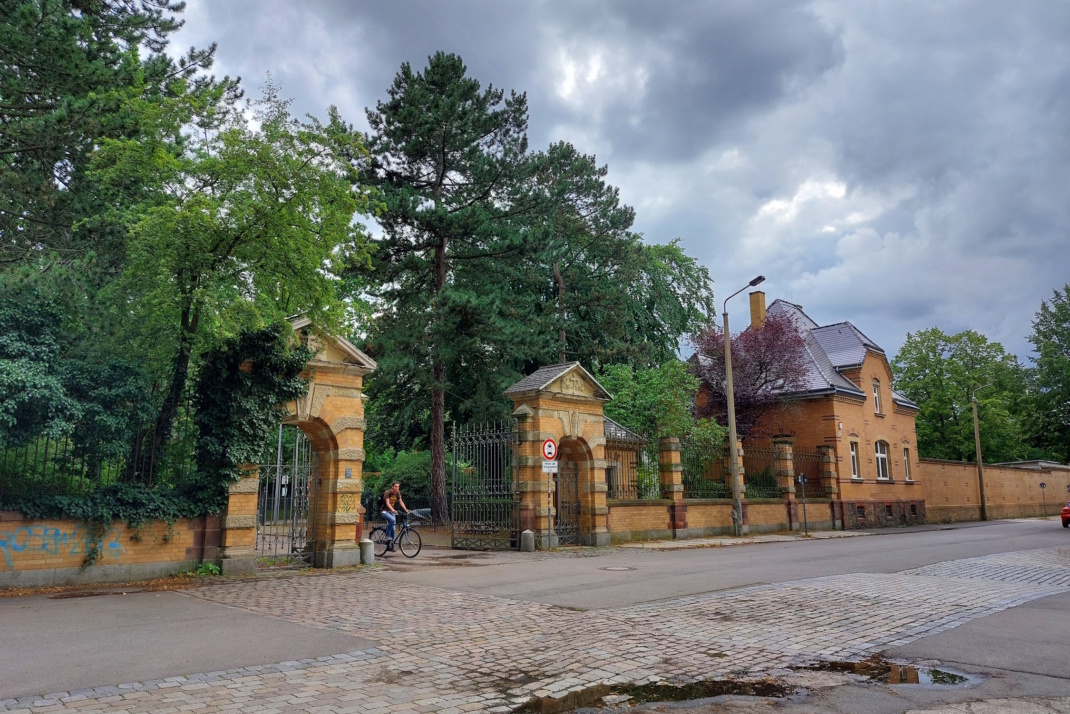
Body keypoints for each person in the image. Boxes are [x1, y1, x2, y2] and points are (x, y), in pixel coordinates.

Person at [380, 482, 408, 550]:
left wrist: (406, 510)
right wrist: (393, 510)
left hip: (391, 511)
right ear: (392, 487)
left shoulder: (398, 493)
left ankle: (391, 546)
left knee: (393, 529)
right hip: (384, 511)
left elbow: (401, 502)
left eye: (398, 487)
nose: (397, 488)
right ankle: (387, 536)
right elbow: (387, 503)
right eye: (395, 486)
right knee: (392, 520)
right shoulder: (388, 492)